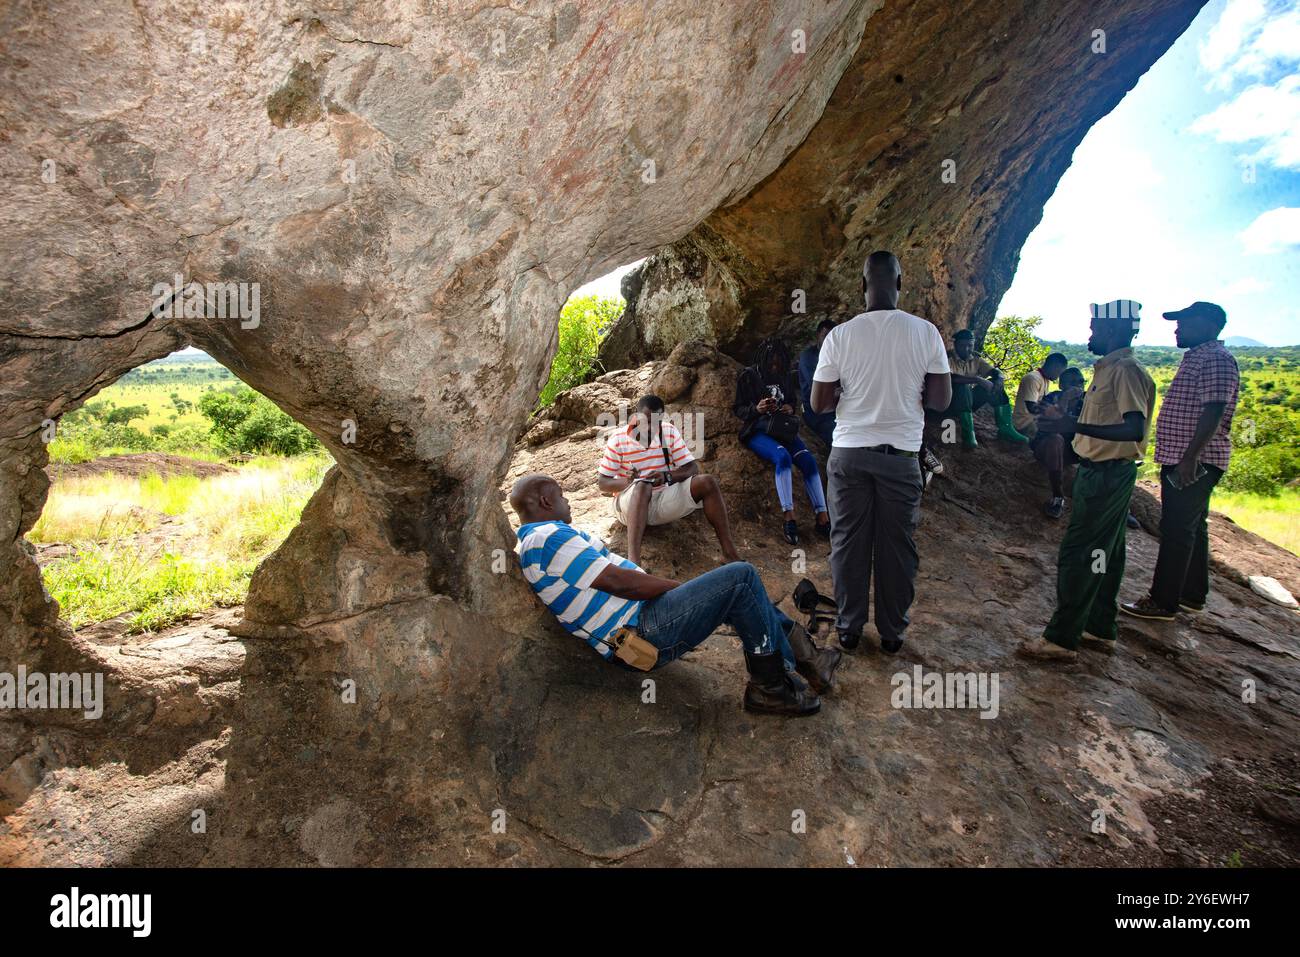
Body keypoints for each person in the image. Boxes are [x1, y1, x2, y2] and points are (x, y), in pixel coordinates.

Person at [511, 473, 842, 715]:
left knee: (737, 589)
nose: (567, 500)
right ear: (544, 501)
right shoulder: (546, 537)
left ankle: (808, 661)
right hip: (642, 633)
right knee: (740, 579)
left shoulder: (543, 537)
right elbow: (620, 583)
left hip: (643, 621)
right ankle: (770, 687)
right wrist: (680, 590)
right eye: (561, 494)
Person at [810, 250, 952, 655]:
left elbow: (819, 403)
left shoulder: (840, 335)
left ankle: (849, 628)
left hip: (850, 452)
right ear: (900, 284)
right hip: (901, 457)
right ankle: (892, 633)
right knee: (897, 546)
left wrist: (847, 391)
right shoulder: (925, 332)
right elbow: (941, 400)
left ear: (863, 286)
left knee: (848, 543)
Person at [1020, 300, 1156, 661]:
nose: (1091, 333)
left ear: (1113, 330)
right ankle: (1099, 627)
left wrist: (1073, 426)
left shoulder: (1124, 372)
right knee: (1107, 554)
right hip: (1104, 472)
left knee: (1079, 553)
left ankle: (1061, 639)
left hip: (1107, 474)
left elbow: (1133, 428)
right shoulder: (1110, 370)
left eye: (1096, 328)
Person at [1122, 302, 1239, 621]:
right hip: (1188, 457)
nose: (1178, 328)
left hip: (1193, 460)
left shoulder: (1215, 358)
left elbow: (1213, 411)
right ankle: (1191, 594)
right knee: (1191, 527)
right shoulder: (1202, 357)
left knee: (1175, 529)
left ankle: (1162, 601)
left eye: (1184, 322)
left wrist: (1190, 458)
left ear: (1207, 324)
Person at [597, 394, 740, 568]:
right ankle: (633, 563)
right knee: (642, 486)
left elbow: (692, 468)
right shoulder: (618, 439)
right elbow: (603, 483)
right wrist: (628, 481)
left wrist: (667, 476)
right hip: (630, 505)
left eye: (655, 422)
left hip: (664, 500)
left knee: (707, 481)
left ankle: (730, 553)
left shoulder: (668, 431)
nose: (650, 427)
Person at [735, 337, 831, 545]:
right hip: (758, 430)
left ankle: (822, 517)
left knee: (808, 461)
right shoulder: (749, 376)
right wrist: (756, 409)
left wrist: (788, 407)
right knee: (783, 457)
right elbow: (739, 409)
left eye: (779, 362)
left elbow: (792, 400)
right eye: (772, 362)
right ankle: (789, 516)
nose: (776, 366)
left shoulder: (784, 376)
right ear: (764, 359)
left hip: (782, 429)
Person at [940, 329, 1030, 448]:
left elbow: (994, 371)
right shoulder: (947, 357)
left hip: (967, 404)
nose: (966, 349)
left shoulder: (976, 359)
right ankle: (969, 434)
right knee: (962, 386)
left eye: (970, 345)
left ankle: (1006, 429)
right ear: (955, 344)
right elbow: (950, 377)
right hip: (949, 403)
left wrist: (999, 378)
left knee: (995, 384)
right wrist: (978, 380)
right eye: (962, 345)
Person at [1015, 352, 1071, 517]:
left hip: (1036, 421)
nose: (1058, 376)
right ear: (1053, 366)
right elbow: (1032, 408)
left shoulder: (1045, 380)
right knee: (1055, 436)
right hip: (1026, 423)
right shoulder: (1033, 378)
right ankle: (1057, 494)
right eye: (1059, 372)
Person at [798, 319, 838, 448]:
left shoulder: (837, 355)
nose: (828, 340)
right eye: (825, 335)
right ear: (818, 335)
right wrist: (840, 391)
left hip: (835, 407)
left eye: (832, 336)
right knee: (837, 437)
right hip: (815, 411)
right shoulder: (808, 357)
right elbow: (820, 391)